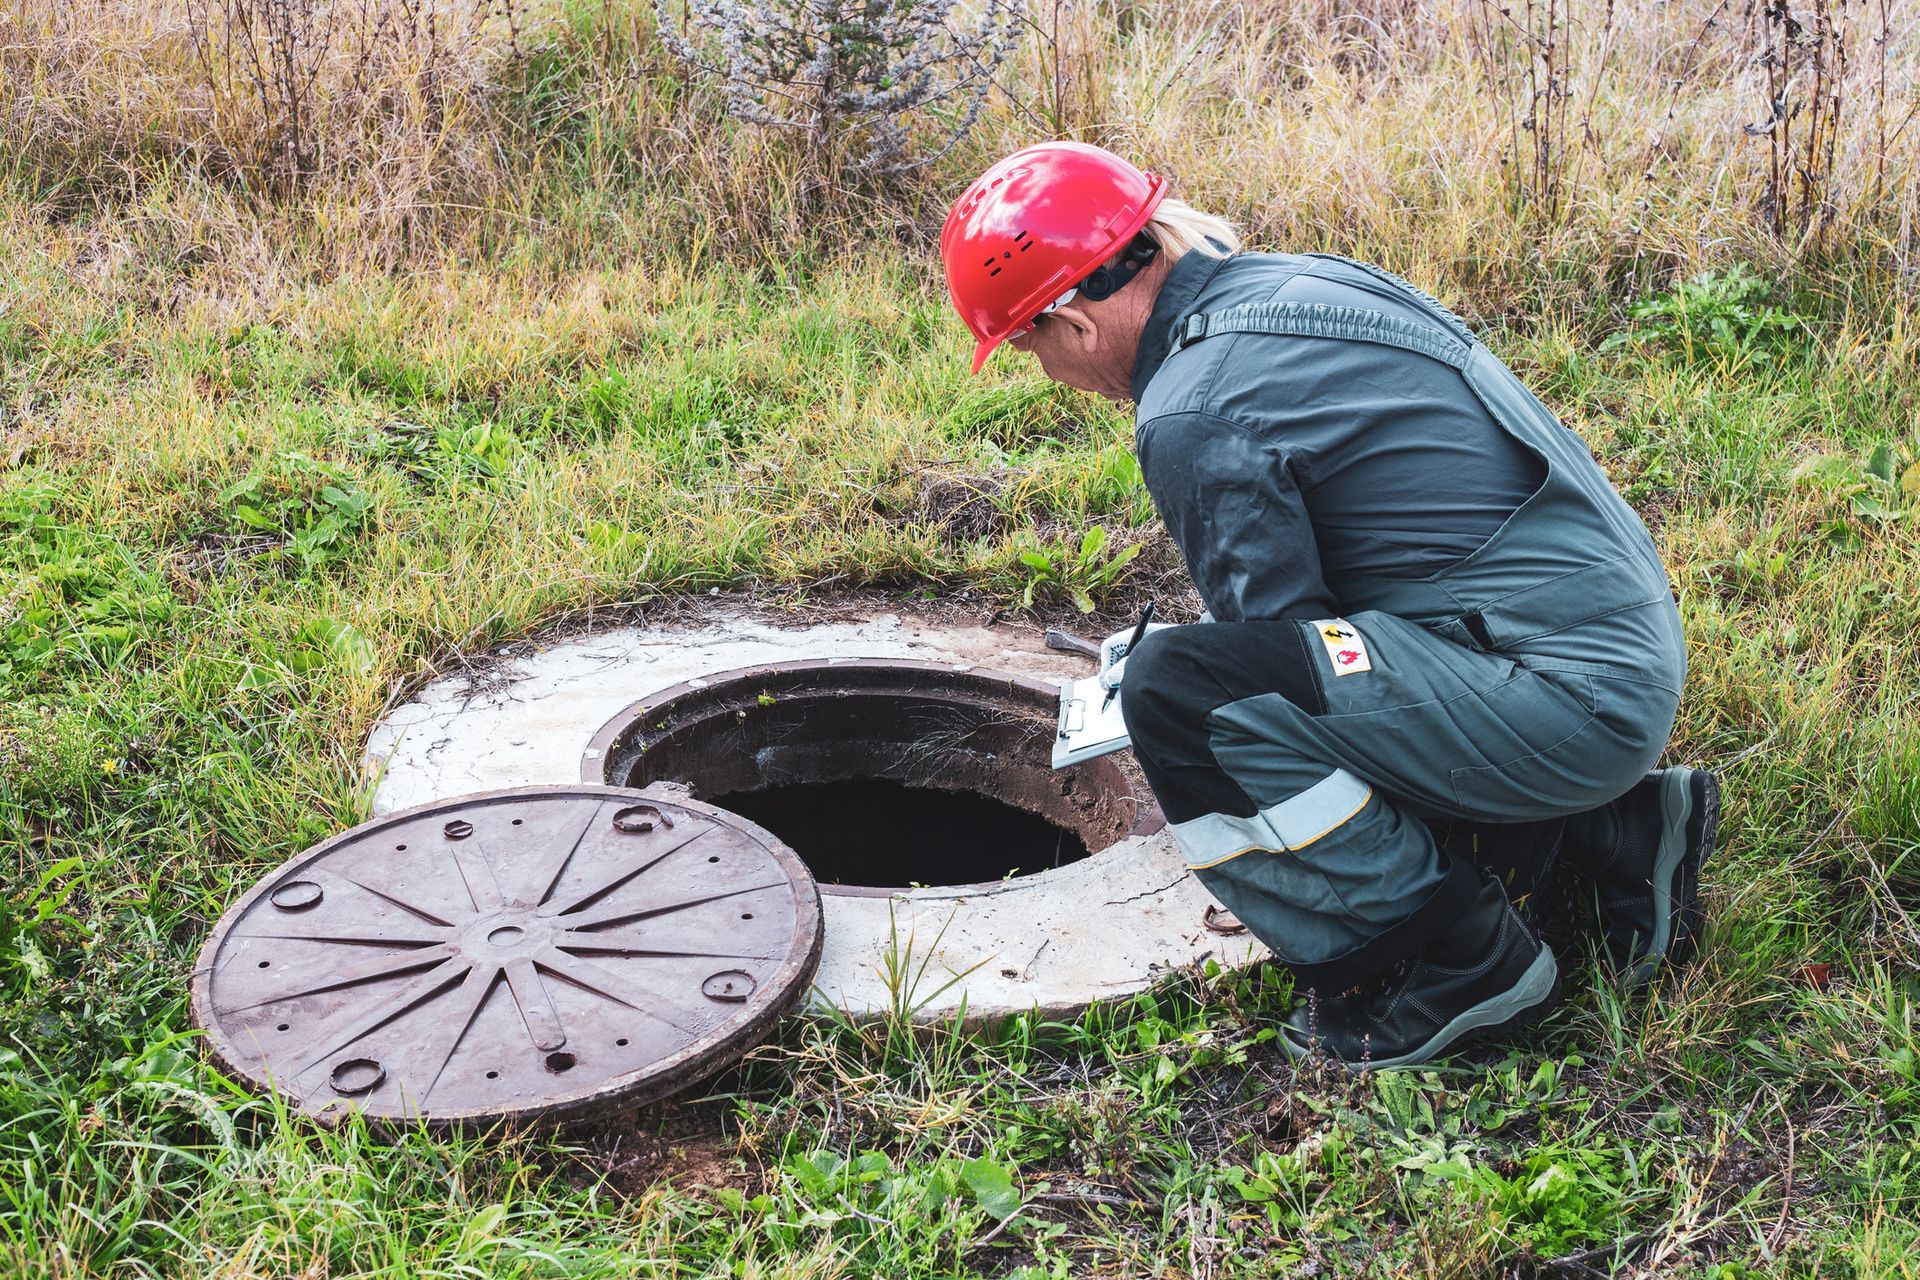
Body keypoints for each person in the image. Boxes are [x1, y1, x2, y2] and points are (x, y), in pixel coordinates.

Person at [940, 141, 1720, 1068]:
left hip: (1564, 695)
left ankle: (1454, 962)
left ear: (1072, 320)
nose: (1045, 370)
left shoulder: (1190, 408)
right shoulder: (1292, 285)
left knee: (1188, 700)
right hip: (1608, 640)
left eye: (1028, 344)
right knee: (1251, 675)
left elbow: (1282, 657)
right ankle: (1612, 833)